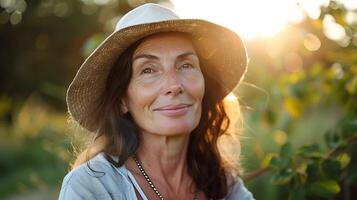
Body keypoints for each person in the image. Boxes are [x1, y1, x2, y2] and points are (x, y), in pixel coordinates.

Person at [59, 3, 254, 200]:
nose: (174, 84)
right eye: (148, 70)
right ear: (121, 100)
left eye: (186, 65)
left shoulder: (224, 185)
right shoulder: (91, 187)